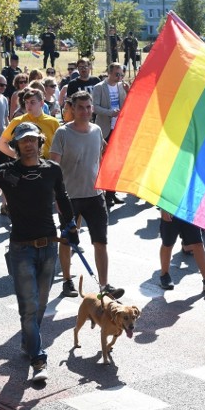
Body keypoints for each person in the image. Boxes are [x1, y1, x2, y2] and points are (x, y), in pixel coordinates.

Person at [0, 122, 78, 383]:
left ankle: (29, 342)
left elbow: (62, 198)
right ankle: (39, 359)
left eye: (32, 139)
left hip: (49, 246)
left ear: (40, 142)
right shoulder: (8, 170)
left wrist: (70, 227)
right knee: (28, 307)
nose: (28, 144)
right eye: (22, 141)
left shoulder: (52, 170)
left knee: (39, 305)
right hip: (20, 249)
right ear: (16, 146)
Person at [50, 92, 123, 300]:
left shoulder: (97, 130)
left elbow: (105, 155)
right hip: (69, 197)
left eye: (89, 107)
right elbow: (53, 166)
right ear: (72, 108)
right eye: (81, 107)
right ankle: (66, 280)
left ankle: (105, 285)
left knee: (101, 241)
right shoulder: (62, 133)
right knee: (68, 241)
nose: (86, 111)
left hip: (95, 195)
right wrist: (56, 196)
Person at [157, 210, 205, 292]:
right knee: (168, 244)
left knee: (197, 243)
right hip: (172, 210)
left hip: (190, 212)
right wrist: (164, 211)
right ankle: (164, 275)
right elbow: (163, 196)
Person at [91, 64, 128, 208]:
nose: (119, 77)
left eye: (121, 75)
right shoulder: (99, 87)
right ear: (109, 73)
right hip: (105, 128)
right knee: (103, 162)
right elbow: (95, 107)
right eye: (116, 74)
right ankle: (101, 193)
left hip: (118, 129)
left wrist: (128, 92)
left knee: (115, 162)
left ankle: (111, 193)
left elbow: (126, 105)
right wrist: (110, 112)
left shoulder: (121, 87)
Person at [0, 89, 61, 161]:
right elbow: (1, 144)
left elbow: (61, 147)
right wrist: (19, 157)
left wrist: (53, 164)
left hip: (47, 165)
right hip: (25, 166)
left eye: (32, 102)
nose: (28, 105)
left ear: (42, 103)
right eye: (26, 102)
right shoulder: (18, 121)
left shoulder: (53, 122)